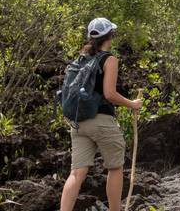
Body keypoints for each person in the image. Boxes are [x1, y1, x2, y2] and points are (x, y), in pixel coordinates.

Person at [60, 18, 142, 211]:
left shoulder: (81, 59)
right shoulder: (109, 59)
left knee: (77, 173)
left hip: (78, 122)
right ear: (110, 35)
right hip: (101, 121)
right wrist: (133, 104)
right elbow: (109, 94)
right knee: (115, 167)